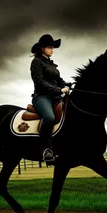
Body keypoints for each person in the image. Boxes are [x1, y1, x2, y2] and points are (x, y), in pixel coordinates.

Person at [30, 34, 71, 164]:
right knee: (49, 118)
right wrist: (59, 90)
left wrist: (66, 85)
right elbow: (39, 82)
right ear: (42, 48)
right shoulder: (36, 62)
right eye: (50, 47)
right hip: (42, 97)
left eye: (53, 47)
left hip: (55, 97)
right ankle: (44, 150)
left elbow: (58, 80)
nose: (52, 49)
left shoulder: (52, 64)